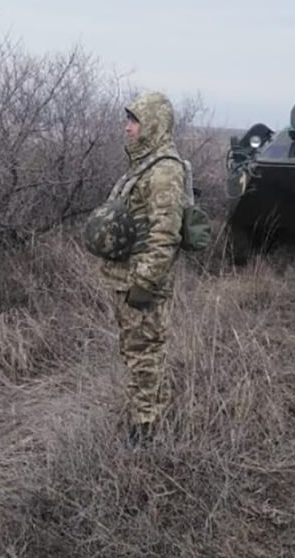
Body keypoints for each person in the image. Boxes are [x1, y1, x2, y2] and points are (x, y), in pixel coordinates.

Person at [99, 91, 186, 446]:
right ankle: (149, 414)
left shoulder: (164, 170)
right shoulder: (144, 164)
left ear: (152, 123)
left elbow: (165, 234)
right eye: (129, 120)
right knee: (136, 351)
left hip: (141, 282)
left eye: (134, 120)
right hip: (127, 276)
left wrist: (145, 283)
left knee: (144, 355)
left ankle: (145, 432)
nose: (128, 127)